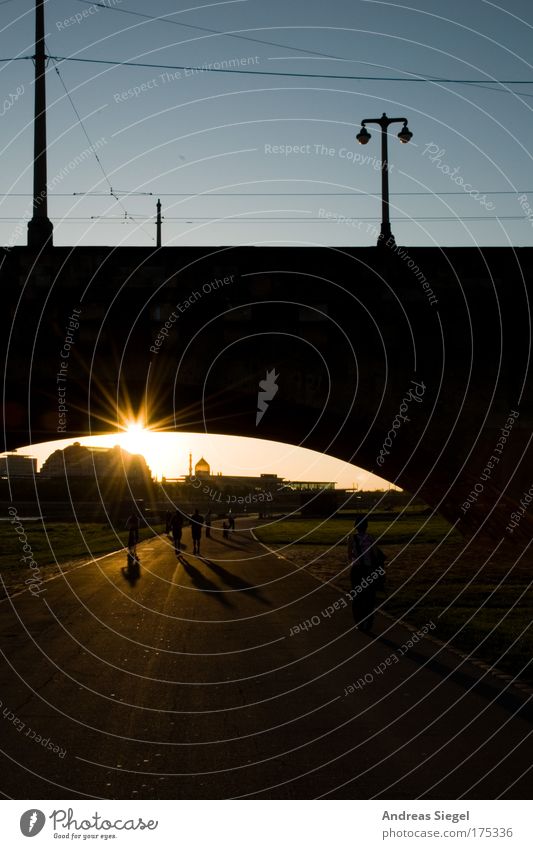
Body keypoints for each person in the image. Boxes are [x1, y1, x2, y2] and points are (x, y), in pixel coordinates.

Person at [348, 516, 384, 634]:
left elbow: (349, 554)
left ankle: (358, 620)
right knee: (370, 594)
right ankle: (369, 617)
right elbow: (375, 553)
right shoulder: (370, 538)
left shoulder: (352, 538)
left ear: (356, 527)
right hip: (368, 569)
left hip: (356, 569)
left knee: (356, 594)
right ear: (366, 526)